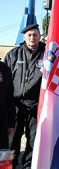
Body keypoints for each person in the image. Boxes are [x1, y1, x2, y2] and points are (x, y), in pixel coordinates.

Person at [5, 23, 44, 169]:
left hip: (36, 105)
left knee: (34, 140)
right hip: (15, 105)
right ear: (24, 37)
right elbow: (5, 80)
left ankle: (29, 165)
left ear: (40, 36)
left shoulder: (48, 55)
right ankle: (6, 166)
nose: (32, 37)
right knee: (10, 139)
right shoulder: (13, 54)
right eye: (29, 35)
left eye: (35, 35)